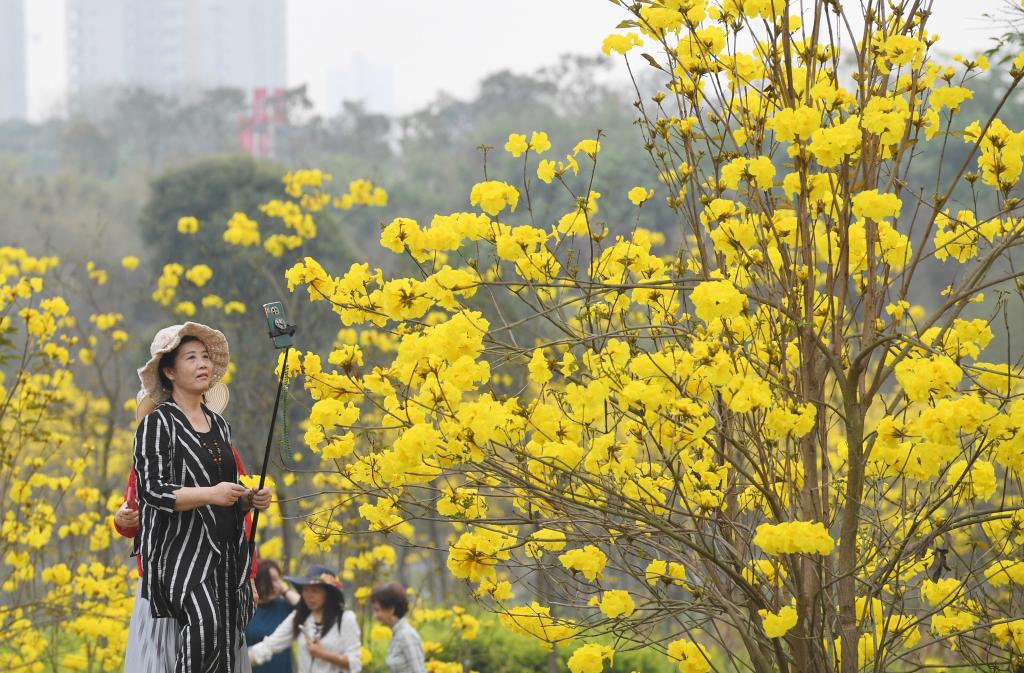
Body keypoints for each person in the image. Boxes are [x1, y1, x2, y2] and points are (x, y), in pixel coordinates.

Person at [132, 322, 272, 673]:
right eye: (191, 357)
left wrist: (248, 499)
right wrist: (212, 494)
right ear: (169, 371)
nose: (203, 364)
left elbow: (225, 489)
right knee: (204, 628)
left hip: (226, 552)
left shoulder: (219, 425)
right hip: (183, 553)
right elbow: (153, 490)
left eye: (206, 357)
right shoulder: (157, 424)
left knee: (224, 643)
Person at [116, 383, 260, 673]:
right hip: (163, 576)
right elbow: (137, 510)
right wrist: (123, 520)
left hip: (216, 568)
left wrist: (250, 575)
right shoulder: (147, 457)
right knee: (162, 657)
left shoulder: (223, 452)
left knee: (214, 647)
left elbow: (239, 518)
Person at [248, 565, 362, 673]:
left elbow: (355, 663)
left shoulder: (346, 619)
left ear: (328, 593)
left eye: (315, 590)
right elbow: (270, 645)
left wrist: (323, 654)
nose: (309, 596)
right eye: (306, 590)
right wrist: (240, 660)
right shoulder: (300, 616)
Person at [246, 560, 301, 673]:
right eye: (268, 580)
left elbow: (306, 609)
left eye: (276, 579)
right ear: (257, 581)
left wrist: (285, 590)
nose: (273, 585)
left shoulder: (285, 606)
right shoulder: (246, 609)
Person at [370, 582, 426, 673]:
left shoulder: (406, 635)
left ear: (391, 609)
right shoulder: (397, 634)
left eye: (377, 610)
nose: (375, 616)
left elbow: (419, 670)